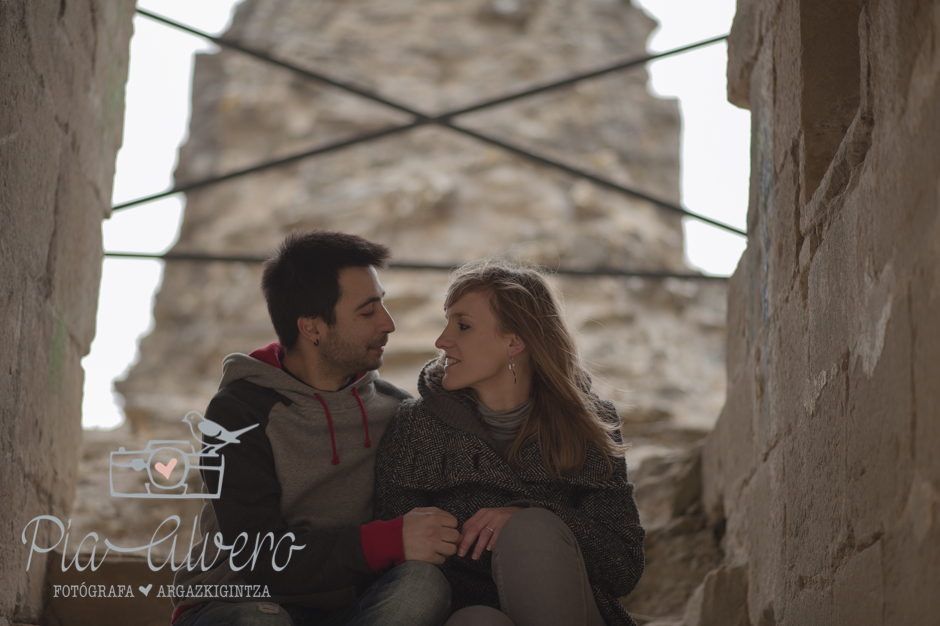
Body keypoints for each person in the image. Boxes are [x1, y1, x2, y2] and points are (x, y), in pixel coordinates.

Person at [172, 230, 457, 626]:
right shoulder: (239, 411)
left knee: (423, 585)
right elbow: (257, 556)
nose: (388, 324)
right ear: (312, 328)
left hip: (343, 612)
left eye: (382, 306)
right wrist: (386, 541)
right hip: (236, 603)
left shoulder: (395, 409)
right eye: (367, 311)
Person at [375, 261, 645, 626]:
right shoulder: (414, 427)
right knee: (475, 622)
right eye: (447, 322)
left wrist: (531, 516)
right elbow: (397, 562)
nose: (441, 341)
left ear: (514, 342)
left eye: (463, 326)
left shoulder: (588, 425)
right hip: (466, 611)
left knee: (531, 530)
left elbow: (623, 568)